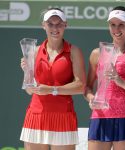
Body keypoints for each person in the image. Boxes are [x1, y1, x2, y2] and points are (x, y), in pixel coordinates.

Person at [84, 6, 125, 150]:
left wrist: (120, 82)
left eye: (121, 24)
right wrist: (91, 98)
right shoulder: (97, 53)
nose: (117, 29)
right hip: (99, 116)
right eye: (113, 24)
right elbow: (87, 88)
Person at [20, 8, 86, 150]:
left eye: (59, 24)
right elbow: (29, 91)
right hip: (36, 115)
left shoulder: (74, 51)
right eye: (50, 24)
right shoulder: (34, 51)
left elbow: (81, 86)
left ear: (65, 25)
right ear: (43, 25)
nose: (55, 28)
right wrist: (27, 72)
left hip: (63, 117)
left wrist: (51, 90)